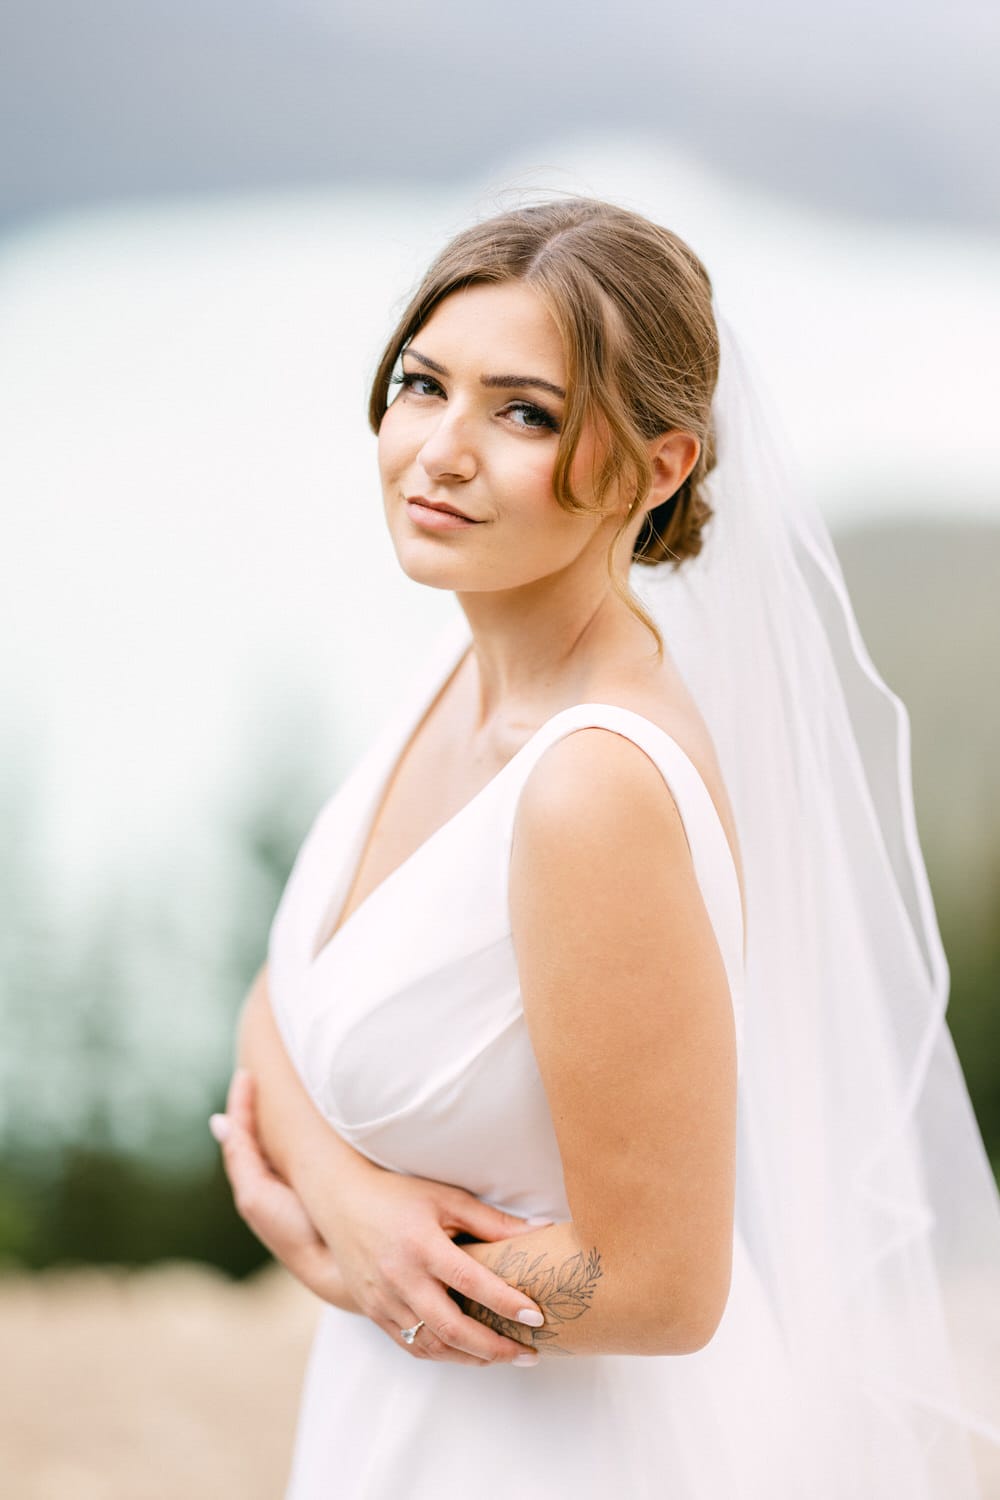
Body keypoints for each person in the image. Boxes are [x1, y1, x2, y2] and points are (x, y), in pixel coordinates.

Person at [209, 198, 1000, 1497]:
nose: (439, 451)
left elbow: (659, 1286)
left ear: (662, 464)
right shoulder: (455, 670)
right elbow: (288, 996)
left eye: (523, 413)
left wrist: (359, 1260)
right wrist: (349, 1206)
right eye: (423, 385)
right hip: (393, 1424)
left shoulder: (590, 792)